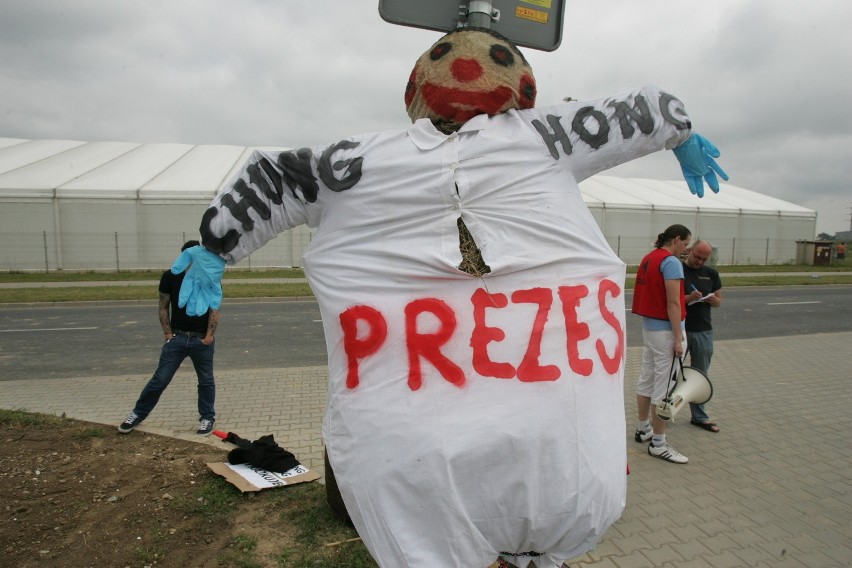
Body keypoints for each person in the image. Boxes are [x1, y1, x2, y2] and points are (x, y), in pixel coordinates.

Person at [168, 28, 727, 568]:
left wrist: (219, 244)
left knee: (428, 490)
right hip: (525, 419)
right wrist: (678, 131)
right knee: (526, 479)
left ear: (414, 91)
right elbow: (646, 110)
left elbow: (275, 177)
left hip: (427, 422)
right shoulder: (542, 138)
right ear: (523, 93)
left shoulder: (365, 161)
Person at [118, 240, 220, 436]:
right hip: (178, 339)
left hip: (201, 340)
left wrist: (209, 337)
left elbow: (214, 309)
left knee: (206, 381)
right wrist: (167, 334)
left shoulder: (210, 276)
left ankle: (207, 418)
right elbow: (163, 306)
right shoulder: (170, 277)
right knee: (160, 380)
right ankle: (137, 414)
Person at [631, 224, 692, 464]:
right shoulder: (671, 262)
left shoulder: (649, 258)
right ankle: (658, 443)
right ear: (676, 239)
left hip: (650, 329)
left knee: (647, 378)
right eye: (685, 244)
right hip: (667, 331)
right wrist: (678, 338)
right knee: (664, 387)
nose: (685, 250)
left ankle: (643, 427)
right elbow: (673, 303)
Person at [682, 240, 723, 432]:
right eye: (697, 257)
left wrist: (713, 300)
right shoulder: (678, 269)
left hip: (703, 330)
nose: (699, 261)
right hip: (681, 329)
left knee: (700, 375)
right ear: (690, 250)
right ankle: (665, 411)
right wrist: (689, 298)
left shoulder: (711, 274)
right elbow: (669, 300)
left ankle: (699, 416)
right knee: (672, 373)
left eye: (704, 259)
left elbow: (719, 301)